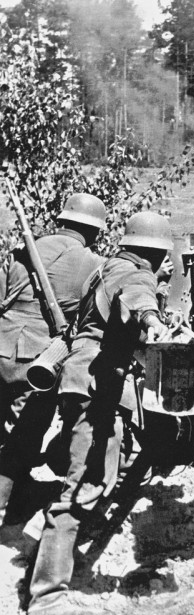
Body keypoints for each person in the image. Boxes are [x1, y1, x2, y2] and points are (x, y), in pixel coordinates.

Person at [26, 211, 173, 615]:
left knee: (104, 470)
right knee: (83, 485)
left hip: (84, 381)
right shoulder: (136, 274)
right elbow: (137, 298)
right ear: (155, 253)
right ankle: (46, 598)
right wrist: (154, 321)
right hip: (96, 387)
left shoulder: (106, 266)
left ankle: (54, 554)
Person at [0, 193, 107, 526]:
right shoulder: (93, 263)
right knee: (25, 432)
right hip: (38, 358)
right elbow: (95, 317)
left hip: (2, 340)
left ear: (61, 221)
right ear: (95, 231)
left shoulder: (22, 250)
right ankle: (7, 506)